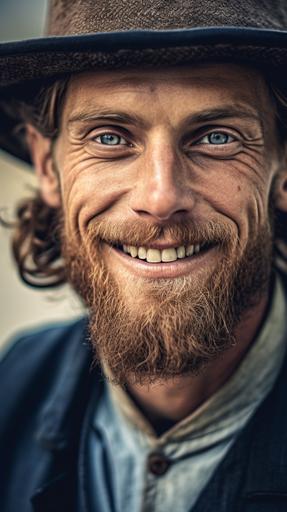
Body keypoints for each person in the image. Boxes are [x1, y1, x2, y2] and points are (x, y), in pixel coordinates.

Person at [1, 0, 287, 511]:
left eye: (216, 137)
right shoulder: (12, 387)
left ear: (282, 168)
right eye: (110, 137)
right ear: (48, 167)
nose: (159, 197)